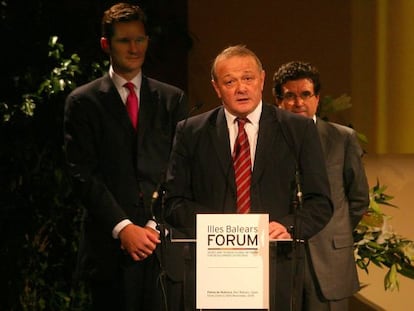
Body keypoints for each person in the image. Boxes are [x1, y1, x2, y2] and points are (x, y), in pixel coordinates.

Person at [164, 45, 333, 311]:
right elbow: (173, 203)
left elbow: (320, 202)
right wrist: (220, 230)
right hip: (212, 271)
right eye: (230, 81)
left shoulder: (296, 129)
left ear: (262, 80)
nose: (241, 88)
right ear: (217, 88)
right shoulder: (191, 132)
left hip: (275, 267)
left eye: (248, 78)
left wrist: (287, 226)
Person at [63, 3, 188, 310]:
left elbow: (180, 170)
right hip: (110, 251)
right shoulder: (83, 101)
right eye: (124, 40)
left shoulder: (172, 99)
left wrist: (152, 225)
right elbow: (81, 173)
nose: (134, 48)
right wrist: (124, 227)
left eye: (140, 39)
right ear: (106, 44)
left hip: (162, 247)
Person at [272, 61, 370, 311]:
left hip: (330, 260)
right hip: (279, 260)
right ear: (278, 101)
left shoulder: (342, 138)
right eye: (290, 96)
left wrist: (334, 232)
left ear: (317, 98)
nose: (298, 103)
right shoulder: (266, 141)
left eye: (305, 95)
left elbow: (358, 199)